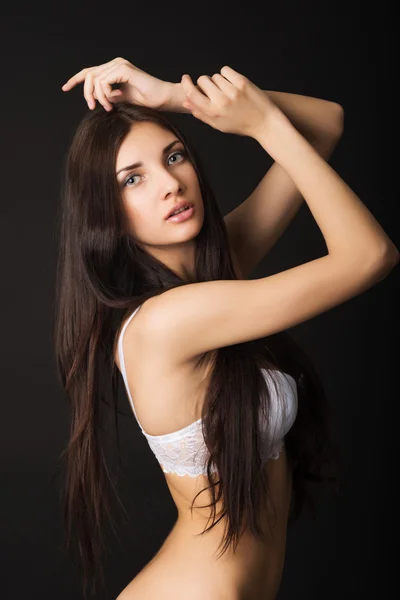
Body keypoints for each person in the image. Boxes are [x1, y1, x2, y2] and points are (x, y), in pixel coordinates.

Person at [55, 57, 399, 600]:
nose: (169, 183)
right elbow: (369, 255)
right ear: (106, 213)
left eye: (174, 156)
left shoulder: (216, 270)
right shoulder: (167, 322)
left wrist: (174, 95)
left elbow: (326, 122)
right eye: (133, 179)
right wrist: (261, 127)